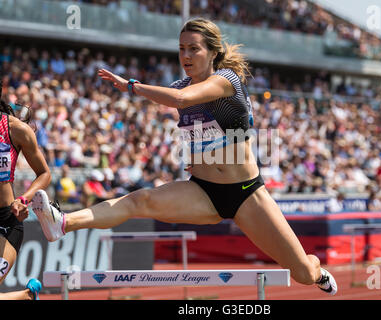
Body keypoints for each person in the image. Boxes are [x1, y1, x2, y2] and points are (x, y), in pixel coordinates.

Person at [31, 18, 337, 295]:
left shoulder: (226, 80)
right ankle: (64, 222)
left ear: (213, 53)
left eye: (194, 49)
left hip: (246, 195)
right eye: (181, 49)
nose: (186, 56)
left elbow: (181, 99)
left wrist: (131, 86)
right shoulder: (179, 86)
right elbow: (194, 122)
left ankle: (315, 268)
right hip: (202, 191)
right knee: (141, 201)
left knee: (301, 274)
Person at [0, 82, 51, 300]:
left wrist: (23, 199)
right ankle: (28, 296)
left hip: (5, 223)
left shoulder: (16, 129)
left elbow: (44, 173)